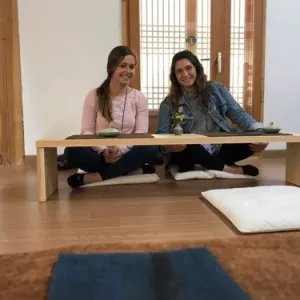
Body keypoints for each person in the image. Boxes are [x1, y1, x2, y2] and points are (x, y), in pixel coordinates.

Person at [156, 50, 268, 176]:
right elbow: (161, 138)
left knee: (251, 140)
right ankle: (229, 170)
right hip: (188, 151)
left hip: (218, 148)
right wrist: (169, 147)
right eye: (179, 71)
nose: (185, 74)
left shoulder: (217, 89)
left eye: (189, 68)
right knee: (190, 142)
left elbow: (240, 115)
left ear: (197, 69)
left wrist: (261, 135)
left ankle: (209, 163)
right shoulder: (168, 103)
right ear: (174, 76)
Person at [65, 46, 162, 188]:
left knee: (150, 148)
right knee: (71, 151)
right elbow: (86, 131)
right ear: (112, 67)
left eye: (132, 67)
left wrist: (121, 149)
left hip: (127, 152)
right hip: (99, 153)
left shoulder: (139, 97)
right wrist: (104, 150)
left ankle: (101, 175)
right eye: (122, 66)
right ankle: (130, 171)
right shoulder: (94, 95)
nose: (128, 71)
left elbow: (141, 134)